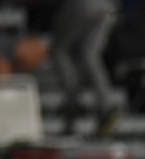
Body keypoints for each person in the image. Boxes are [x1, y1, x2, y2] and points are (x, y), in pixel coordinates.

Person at [26, 0, 122, 137]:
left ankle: (73, 101)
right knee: (89, 55)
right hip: (108, 7)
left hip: (83, 4)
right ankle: (106, 106)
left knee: (58, 50)